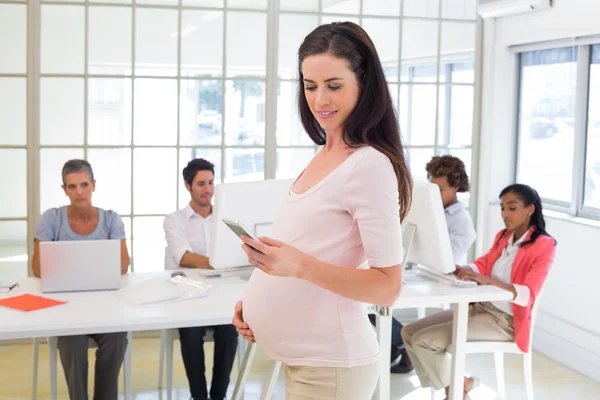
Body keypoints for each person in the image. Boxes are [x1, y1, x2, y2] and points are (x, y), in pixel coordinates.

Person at [231, 21, 412, 399]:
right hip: (306, 360)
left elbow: (388, 287)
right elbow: (312, 249)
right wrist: (256, 302)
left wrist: (297, 266)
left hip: (332, 367)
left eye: (334, 86)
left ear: (365, 85)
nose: (320, 100)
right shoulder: (325, 155)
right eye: (310, 86)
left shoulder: (369, 165)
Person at [401, 184, 556, 399]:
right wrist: (468, 269)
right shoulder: (504, 236)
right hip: (481, 308)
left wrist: (486, 280)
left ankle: (456, 392)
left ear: (530, 209)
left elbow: (528, 293)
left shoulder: (544, 245)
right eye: (502, 208)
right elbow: (486, 261)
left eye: (512, 208)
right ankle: (459, 386)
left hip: (506, 321)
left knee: (423, 341)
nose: (505, 214)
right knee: (408, 332)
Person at [32, 159, 130, 400]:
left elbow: (123, 264)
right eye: (72, 186)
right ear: (64, 189)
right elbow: (36, 267)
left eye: (84, 184)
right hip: (66, 310)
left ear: (93, 185)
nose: (79, 192)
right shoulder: (51, 219)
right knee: (72, 343)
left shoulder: (111, 219)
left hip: (104, 307)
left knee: (117, 336)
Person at [385, 155, 478, 374]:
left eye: (440, 190)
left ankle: (400, 345)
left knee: (380, 302)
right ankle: (399, 345)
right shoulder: (429, 211)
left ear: (455, 187)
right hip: (421, 272)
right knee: (371, 304)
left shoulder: (461, 222)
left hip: (444, 281)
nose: (434, 195)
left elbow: (446, 261)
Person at [163, 158, 238, 400]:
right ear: (187, 186)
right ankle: (199, 397)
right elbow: (184, 257)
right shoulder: (174, 220)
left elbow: (238, 255)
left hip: (220, 295)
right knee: (191, 333)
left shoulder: (226, 219)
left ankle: (218, 397)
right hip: (187, 297)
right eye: (201, 183)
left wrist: (223, 260)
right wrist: (221, 260)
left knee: (229, 330)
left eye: (211, 183)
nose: (208, 189)